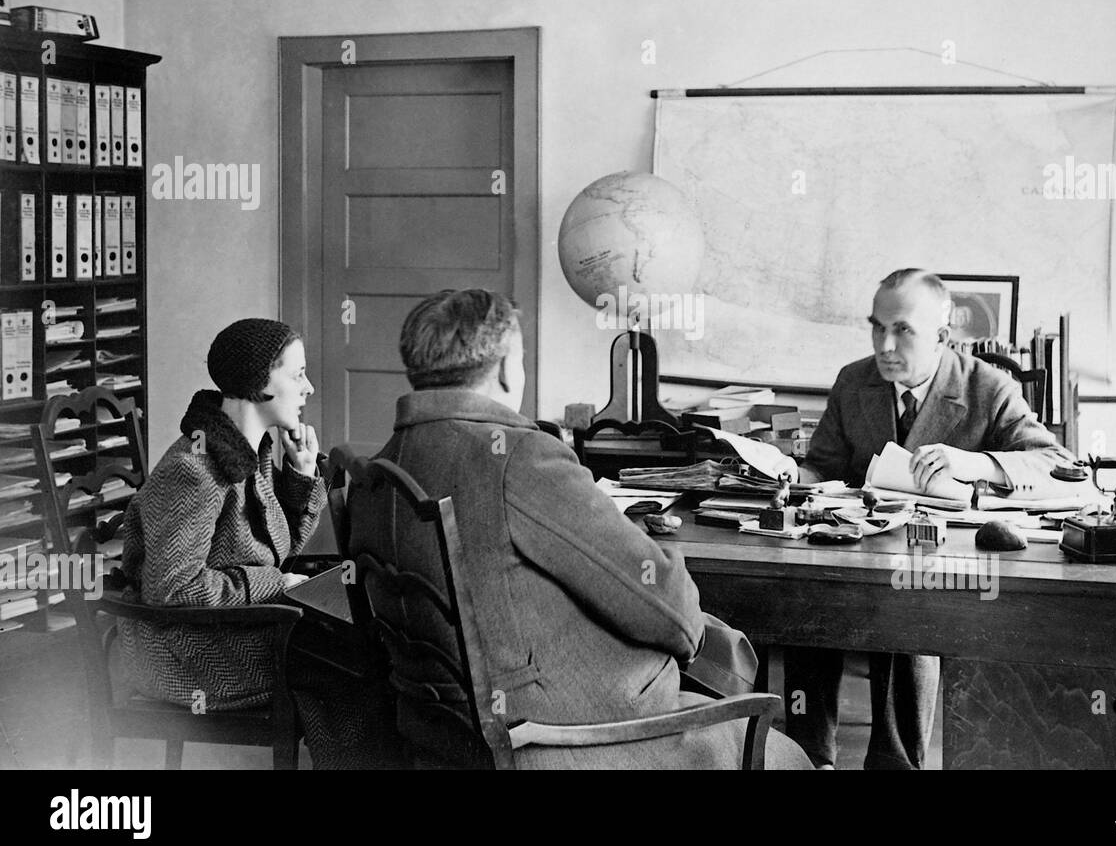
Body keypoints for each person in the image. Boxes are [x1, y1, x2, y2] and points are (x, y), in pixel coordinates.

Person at [348, 289, 811, 769]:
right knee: (784, 751)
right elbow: (666, 606)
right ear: (507, 367)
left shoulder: (381, 467)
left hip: (443, 730)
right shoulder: (517, 456)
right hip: (551, 737)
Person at [787, 269, 1075, 770]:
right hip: (856, 550)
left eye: (902, 330)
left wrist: (978, 463)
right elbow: (824, 467)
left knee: (908, 604)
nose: (885, 344)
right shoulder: (854, 380)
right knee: (807, 591)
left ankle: (894, 763)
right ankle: (810, 759)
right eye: (877, 327)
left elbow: (1059, 467)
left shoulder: (987, 387)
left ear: (942, 337)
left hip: (942, 566)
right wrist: (785, 473)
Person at [117, 318, 399, 768]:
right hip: (189, 650)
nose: (308, 388)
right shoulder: (195, 467)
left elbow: (272, 551)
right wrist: (275, 582)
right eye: (297, 374)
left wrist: (302, 476)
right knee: (353, 666)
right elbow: (172, 590)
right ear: (259, 383)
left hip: (235, 627)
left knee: (370, 641)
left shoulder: (250, 449)